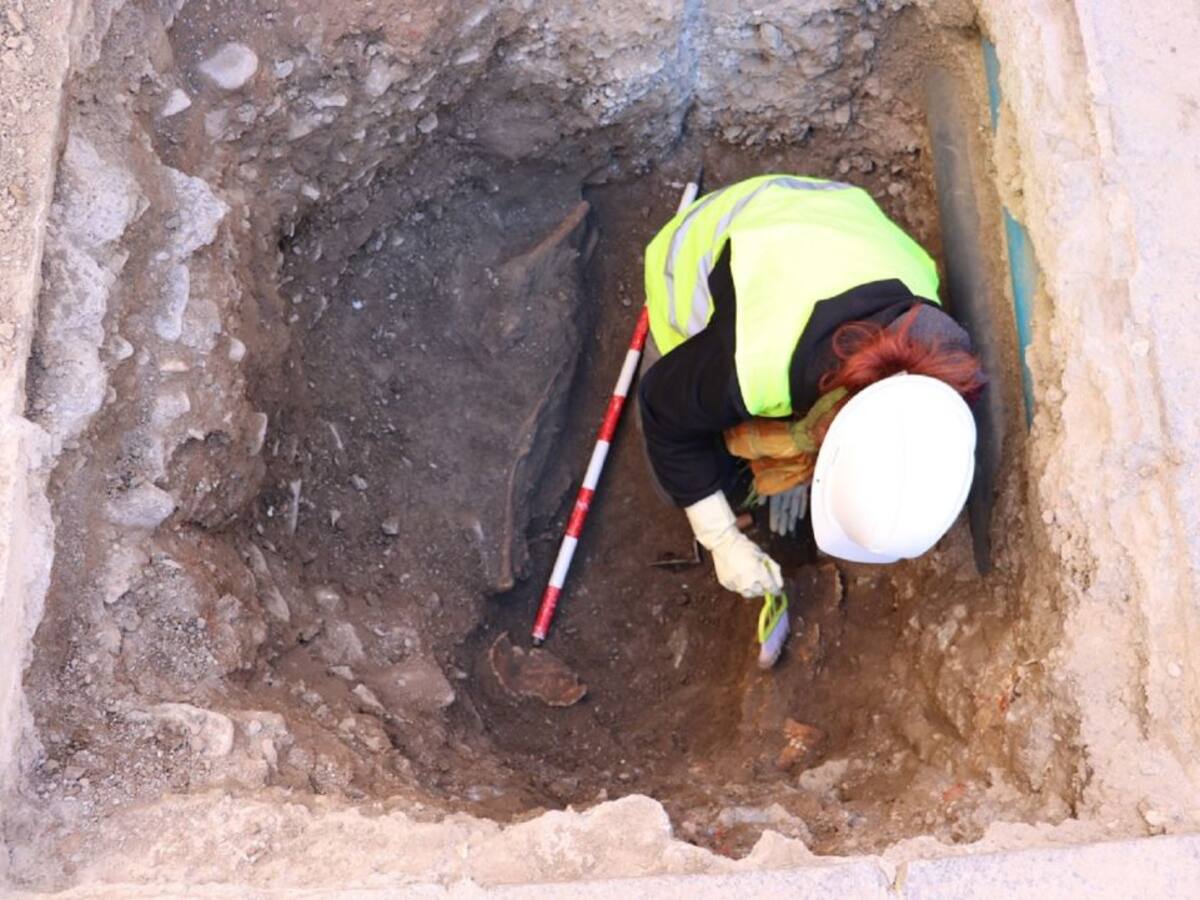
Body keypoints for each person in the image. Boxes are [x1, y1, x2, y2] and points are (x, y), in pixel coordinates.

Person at [639, 174, 985, 604]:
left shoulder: (941, 346)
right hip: (692, 260)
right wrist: (721, 537)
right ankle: (728, 485)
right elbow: (659, 407)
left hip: (821, 216)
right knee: (683, 476)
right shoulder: (752, 363)